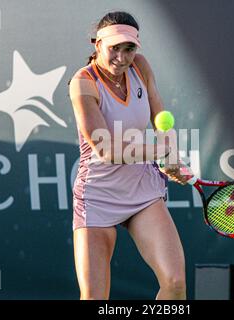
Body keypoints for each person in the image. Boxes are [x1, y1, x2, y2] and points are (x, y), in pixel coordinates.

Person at [68, 11, 191, 300]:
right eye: (114, 49)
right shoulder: (83, 83)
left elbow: (160, 116)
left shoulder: (140, 67)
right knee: (94, 299)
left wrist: (171, 152)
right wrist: (162, 151)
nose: (122, 58)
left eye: (129, 48)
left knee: (175, 283)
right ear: (96, 44)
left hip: (141, 190)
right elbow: (106, 149)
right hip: (97, 196)